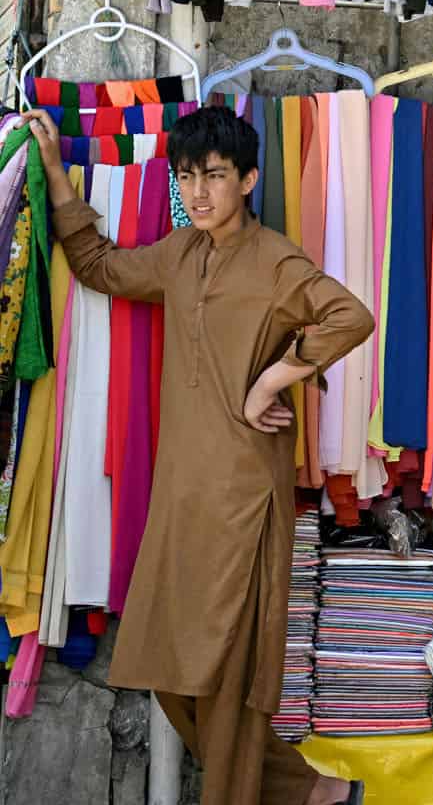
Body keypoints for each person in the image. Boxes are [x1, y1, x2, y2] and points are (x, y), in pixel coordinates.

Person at [25, 107, 374, 805]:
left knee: (230, 680)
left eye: (214, 175)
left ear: (247, 178)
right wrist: (60, 176)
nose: (200, 191)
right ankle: (311, 791)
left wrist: (272, 379)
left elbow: (351, 315)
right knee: (166, 664)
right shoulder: (182, 254)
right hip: (182, 499)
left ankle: (289, 794)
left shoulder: (276, 260)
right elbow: (100, 266)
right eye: (187, 177)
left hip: (245, 498)